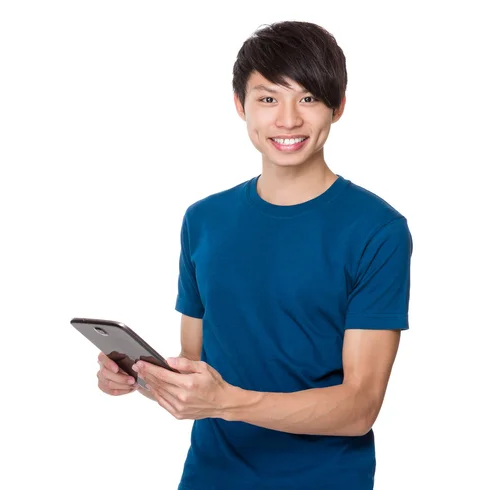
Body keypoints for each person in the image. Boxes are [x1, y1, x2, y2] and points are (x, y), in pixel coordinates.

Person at [97, 20, 413, 490]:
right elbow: (193, 360)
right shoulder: (203, 219)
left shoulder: (377, 230)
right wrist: (141, 377)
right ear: (240, 105)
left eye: (307, 98)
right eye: (268, 99)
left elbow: (359, 407)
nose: (287, 120)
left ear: (338, 106)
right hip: (209, 476)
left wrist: (225, 402)